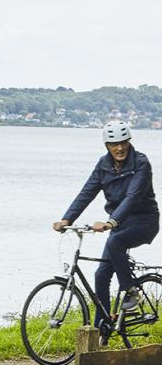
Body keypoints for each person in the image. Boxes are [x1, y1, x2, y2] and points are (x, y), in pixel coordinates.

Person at [53, 120, 159, 332]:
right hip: (120, 224)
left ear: (129, 142)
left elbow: (133, 197)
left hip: (144, 221)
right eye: (113, 144)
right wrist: (67, 219)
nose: (119, 148)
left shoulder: (141, 163)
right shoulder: (103, 166)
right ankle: (103, 326)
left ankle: (131, 291)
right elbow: (87, 192)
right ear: (106, 145)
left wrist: (111, 222)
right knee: (101, 274)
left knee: (116, 241)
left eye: (122, 143)